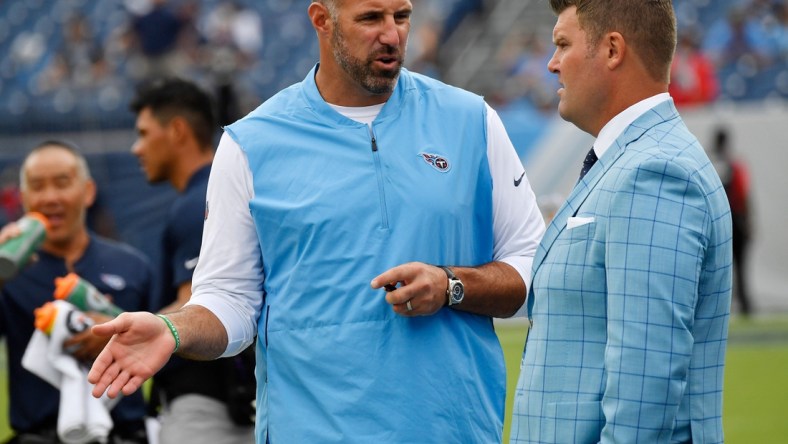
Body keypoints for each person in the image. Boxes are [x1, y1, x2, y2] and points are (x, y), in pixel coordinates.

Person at [88, 0, 546, 442]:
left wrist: (450, 285)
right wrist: (174, 329)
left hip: (452, 431)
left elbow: (532, 264)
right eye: (370, 18)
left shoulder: (472, 120)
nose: (392, 34)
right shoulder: (251, 144)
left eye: (402, 16)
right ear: (321, 19)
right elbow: (230, 298)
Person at [510, 1, 733, 443]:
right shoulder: (634, 160)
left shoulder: (654, 172)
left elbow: (645, 384)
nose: (551, 64)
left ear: (612, 49)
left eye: (562, 44)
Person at [0, 141, 155, 443]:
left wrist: (118, 334)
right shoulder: (10, 273)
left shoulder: (133, 267)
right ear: (23, 198)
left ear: (88, 192)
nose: (50, 197)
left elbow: (171, 341)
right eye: (37, 186)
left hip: (123, 434)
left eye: (62, 183)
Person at [128, 78, 255, 443]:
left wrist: (116, 328)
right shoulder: (221, 188)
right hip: (238, 395)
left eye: (144, 133)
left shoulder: (198, 202)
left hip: (209, 403)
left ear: (178, 131)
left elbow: (197, 302)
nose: (136, 148)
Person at [712, 126, 753, 316]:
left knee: (720, 269)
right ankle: (744, 305)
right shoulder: (733, 165)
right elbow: (744, 196)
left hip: (721, 221)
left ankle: (737, 306)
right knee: (739, 267)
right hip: (736, 221)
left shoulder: (711, 165)